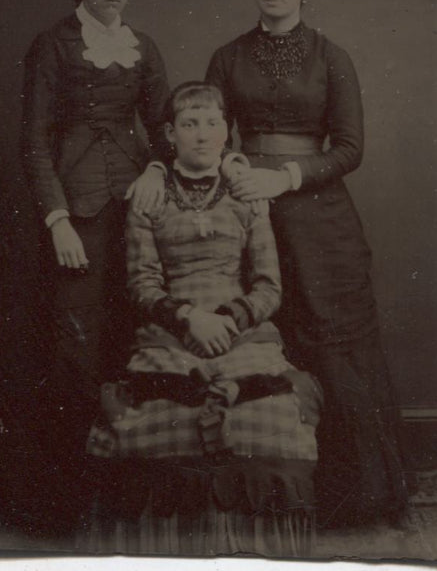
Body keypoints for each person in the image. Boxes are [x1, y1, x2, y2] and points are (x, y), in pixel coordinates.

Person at [205, 0, 410, 528]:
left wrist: (287, 177)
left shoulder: (331, 56)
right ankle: (277, 496)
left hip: (319, 220)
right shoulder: (227, 56)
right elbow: (207, 130)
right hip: (245, 212)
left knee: (333, 340)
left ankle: (359, 498)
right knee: (266, 338)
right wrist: (234, 162)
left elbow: (349, 149)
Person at [85, 83, 322, 556]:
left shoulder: (247, 194)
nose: (202, 134)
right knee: (155, 417)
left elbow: (269, 286)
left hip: (243, 330)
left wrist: (228, 320)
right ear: (170, 134)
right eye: (190, 124)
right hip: (170, 330)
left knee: (269, 413)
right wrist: (189, 318)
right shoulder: (149, 197)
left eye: (212, 122)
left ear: (226, 131)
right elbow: (142, 284)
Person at [20, 0, 170, 529]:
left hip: (133, 212)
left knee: (132, 344)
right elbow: (33, 142)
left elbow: (165, 124)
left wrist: (157, 165)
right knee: (75, 353)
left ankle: (127, 501)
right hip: (75, 217)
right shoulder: (53, 45)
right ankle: (66, 507)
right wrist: (56, 217)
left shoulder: (144, 47)